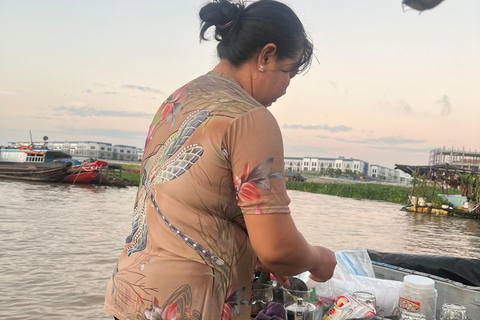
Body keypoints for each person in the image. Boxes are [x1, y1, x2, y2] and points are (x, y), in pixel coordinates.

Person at [104, 1, 337, 319]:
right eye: (288, 72)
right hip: (191, 306)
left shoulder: (177, 100)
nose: (286, 88)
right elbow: (278, 248)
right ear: (266, 55)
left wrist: (256, 253)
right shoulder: (251, 118)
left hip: (132, 296)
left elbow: (192, 203)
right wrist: (318, 259)